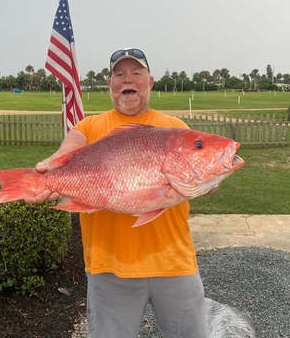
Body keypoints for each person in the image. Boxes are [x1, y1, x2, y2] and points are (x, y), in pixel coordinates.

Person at [26, 48, 209, 338]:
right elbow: (66, 151)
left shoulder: (175, 129)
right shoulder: (90, 127)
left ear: (150, 82)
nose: (128, 79)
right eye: (119, 74)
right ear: (110, 84)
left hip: (175, 264)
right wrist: (47, 171)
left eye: (136, 73)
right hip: (109, 267)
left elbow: (203, 167)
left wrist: (215, 174)